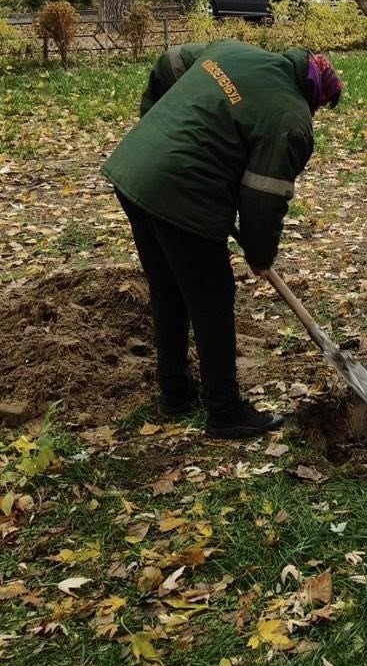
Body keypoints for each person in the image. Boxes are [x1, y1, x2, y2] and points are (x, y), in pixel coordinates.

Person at [102, 40, 343, 439]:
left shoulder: (234, 51)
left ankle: (176, 393)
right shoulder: (291, 119)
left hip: (133, 172)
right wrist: (260, 253)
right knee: (212, 299)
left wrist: (156, 126)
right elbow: (262, 198)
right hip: (183, 194)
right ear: (315, 97)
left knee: (169, 288)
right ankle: (225, 411)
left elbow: (171, 61)